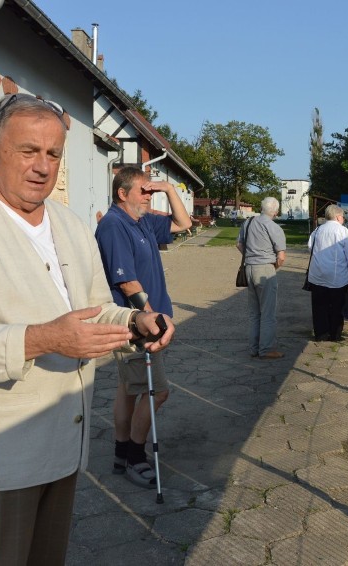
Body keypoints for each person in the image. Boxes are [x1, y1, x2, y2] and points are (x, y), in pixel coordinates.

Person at [0, 93, 174, 565]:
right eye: (28, 151)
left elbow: (94, 309)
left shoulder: (69, 225)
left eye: (53, 154)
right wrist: (44, 338)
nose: (42, 166)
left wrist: (135, 320)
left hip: (64, 448)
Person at [95, 166, 192, 488]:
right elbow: (126, 282)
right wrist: (151, 318)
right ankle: (137, 456)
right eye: (144, 191)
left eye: (151, 192)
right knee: (157, 391)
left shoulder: (143, 220)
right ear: (123, 194)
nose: (149, 197)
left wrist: (168, 189)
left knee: (129, 390)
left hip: (144, 321)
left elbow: (184, 223)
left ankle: (121, 454)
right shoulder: (113, 225)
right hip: (136, 324)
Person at [236, 197, 287, 359]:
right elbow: (281, 256)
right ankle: (266, 349)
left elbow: (239, 244)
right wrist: (273, 267)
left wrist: (251, 256)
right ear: (276, 211)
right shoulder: (274, 227)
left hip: (249, 268)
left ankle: (254, 348)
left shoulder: (248, 223)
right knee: (268, 313)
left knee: (254, 313)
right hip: (265, 269)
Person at [307, 205, 348, 341]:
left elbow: (310, 247)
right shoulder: (343, 232)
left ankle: (320, 333)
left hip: (317, 275)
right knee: (337, 305)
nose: (343, 219)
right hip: (337, 276)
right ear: (337, 216)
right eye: (342, 216)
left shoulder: (317, 230)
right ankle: (335, 333)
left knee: (319, 306)